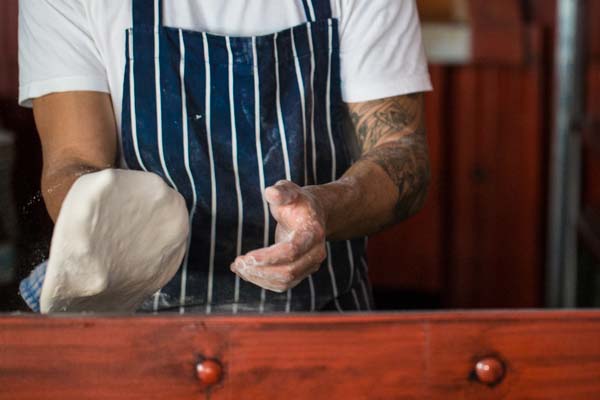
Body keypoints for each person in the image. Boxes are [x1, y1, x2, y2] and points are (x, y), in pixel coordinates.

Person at [18, 0, 432, 313]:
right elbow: (73, 159)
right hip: (142, 327)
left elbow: (401, 150)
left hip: (318, 318)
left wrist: (322, 209)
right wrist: (112, 230)